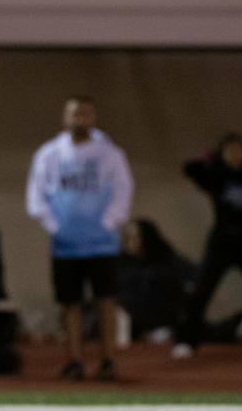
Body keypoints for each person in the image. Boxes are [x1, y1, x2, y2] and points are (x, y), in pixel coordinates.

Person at [26, 95, 134, 381]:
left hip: (102, 243)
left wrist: (108, 223)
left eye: (85, 114)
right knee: (70, 303)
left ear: (93, 117)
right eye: (75, 114)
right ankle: (74, 359)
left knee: (105, 301)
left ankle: (108, 359)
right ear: (65, 117)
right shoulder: (50, 154)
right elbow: (37, 196)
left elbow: (123, 190)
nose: (80, 119)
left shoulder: (110, 154)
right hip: (66, 246)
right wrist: (55, 227)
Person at [172, 133, 242, 359]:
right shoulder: (217, 176)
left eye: (240, 150)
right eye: (229, 151)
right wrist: (211, 158)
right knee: (201, 292)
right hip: (220, 242)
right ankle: (187, 341)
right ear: (222, 154)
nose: (235, 155)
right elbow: (190, 168)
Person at [117, 218, 196, 341]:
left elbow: (194, 278)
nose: (128, 242)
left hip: (162, 322)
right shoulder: (121, 263)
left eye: (135, 237)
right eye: (126, 237)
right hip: (129, 324)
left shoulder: (167, 260)